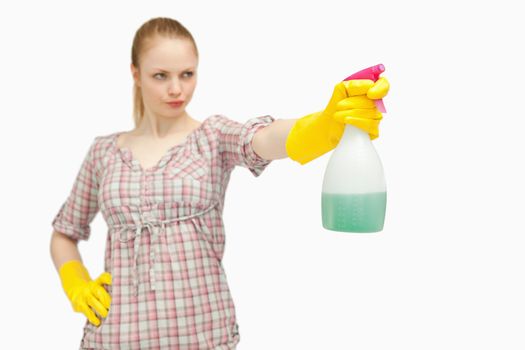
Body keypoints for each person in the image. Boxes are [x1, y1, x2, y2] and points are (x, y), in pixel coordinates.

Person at [49, 17, 389, 350]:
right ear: (135, 73)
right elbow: (65, 232)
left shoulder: (212, 137)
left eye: (187, 74)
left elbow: (265, 139)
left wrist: (324, 124)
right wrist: (75, 281)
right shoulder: (104, 152)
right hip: (116, 336)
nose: (176, 89)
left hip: (203, 335)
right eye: (160, 76)